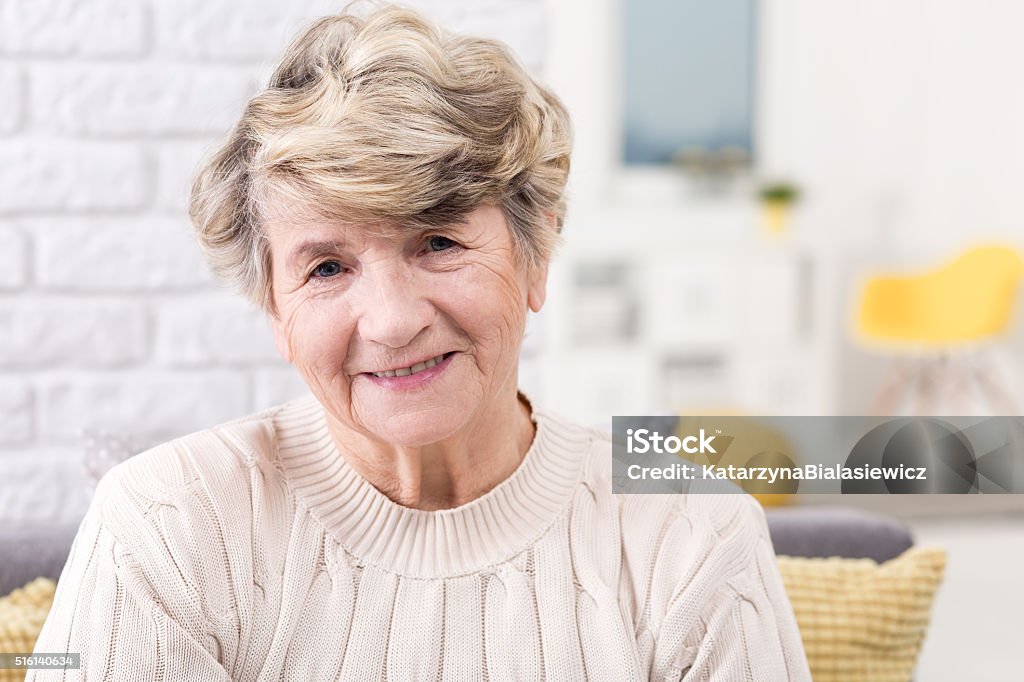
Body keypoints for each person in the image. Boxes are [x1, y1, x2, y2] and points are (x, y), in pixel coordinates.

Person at [31, 5, 811, 680]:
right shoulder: (166, 525)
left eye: (437, 241)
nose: (392, 321)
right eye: (328, 266)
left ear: (536, 255)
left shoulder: (695, 535)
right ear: (276, 309)